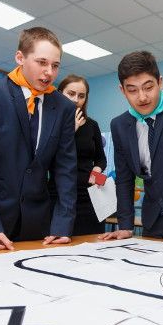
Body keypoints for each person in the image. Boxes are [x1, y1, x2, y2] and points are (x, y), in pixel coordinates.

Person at [0, 27, 77, 251]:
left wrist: (62, 224)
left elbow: (65, 170)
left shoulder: (64, 107)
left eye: (55, 65)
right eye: (42, 62)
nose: (49, 72)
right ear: (20, 58)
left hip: (36, 228)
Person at [100, 51, 163, 245]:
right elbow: (124, 178)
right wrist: (125, 225)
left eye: (148, 87)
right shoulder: (120, 125)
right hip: (152, 221)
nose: (142, 97)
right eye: (132, 90)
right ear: (122, 90)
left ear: (160, 82)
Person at [53, 74, 107, 234]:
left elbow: (101, 159)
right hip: (60, 194)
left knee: (93, 240)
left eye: (81, 96)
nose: (76, 99)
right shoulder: (52, 123)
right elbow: (49, 158)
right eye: (71, 94)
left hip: (91, 194)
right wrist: (71, 130)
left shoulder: (92, 125)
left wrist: (97, 170)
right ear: (60, 93)